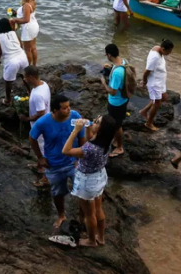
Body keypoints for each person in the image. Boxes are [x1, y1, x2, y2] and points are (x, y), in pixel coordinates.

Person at [29, 94, 86, 230]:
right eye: (64, 108)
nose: (69, 110)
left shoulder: (75, 116)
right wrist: (40, 158)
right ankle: (61, 215)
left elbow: (82, 137)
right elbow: (32, 138)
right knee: (58, 192)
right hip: (54, 165)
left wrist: (81, 158)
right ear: (54, 110)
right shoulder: (43, 122)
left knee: (83, 190)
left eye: (69, 106)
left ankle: (82, 216)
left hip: (74, 163)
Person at [62, 114, 116, 247]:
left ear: (101, 129)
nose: (93, 121)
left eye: (97, 122)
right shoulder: (106, 140)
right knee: (98, 209)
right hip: (99, 176)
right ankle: (101, 238)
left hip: (87, 181)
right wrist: (87, 128)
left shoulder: (90, 149)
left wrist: (75, 130)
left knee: (89, 214)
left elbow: (66, 150)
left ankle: (91, 241)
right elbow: (91, 139)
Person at [19, 65, 51, 184]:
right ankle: (39, 166)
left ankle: (46, 178)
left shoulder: (37, 95)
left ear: (31, 77)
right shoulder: (43, 84)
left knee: (43, 151)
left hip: (40, 125)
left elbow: (41, 112)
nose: (24, 80)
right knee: (41, 148)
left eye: (26, 77)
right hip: (46, 120)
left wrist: (27, 118)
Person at [101, 43, 128, 158]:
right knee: (118, 122)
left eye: (106, 54)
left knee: (117, 126)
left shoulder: (117, 73)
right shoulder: (124, 62)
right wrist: (110, 67)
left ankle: (120, 147)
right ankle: (116, 141)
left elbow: (112, 91)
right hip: (124, 99)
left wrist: (103, 83)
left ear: (109, 55)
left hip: (116, 102)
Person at [0, 17, 29, 106]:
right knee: (25, 76)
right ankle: (30, 91)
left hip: (11, 61)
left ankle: (8, 100)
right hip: (22, 56)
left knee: (8, 82)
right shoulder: (14, 33)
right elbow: (21, 45)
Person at [141, 40, 174, 132]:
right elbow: (147, 71)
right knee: (157, 103)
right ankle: (149, 123)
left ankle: (144, 111)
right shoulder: (155, 57)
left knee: (164, 97)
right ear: (163, 49)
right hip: (155, 83)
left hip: (160, 81)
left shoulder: (157, 48)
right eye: (169, 51)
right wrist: (144, 81)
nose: (169, 53)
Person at [10, 0, 39, 66]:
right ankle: (34, 65)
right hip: (34, 26)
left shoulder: (26, 5)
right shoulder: (33, 1)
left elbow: (26, 19)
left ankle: (28, 67)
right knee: (33, 47)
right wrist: (16, 13)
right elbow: (28, 14)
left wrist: (15, 19)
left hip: (28, 28)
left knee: (27, 49)